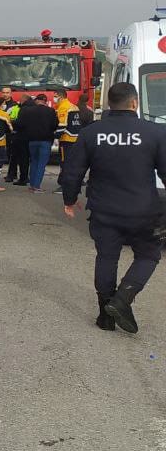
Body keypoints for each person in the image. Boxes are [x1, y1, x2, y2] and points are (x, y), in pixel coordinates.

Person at [60, 82, 166, 334]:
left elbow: (72, 172)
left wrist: (69, 199)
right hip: (144, 211)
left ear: (109, 103)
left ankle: (105, 315)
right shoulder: (155, 133)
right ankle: (122, 300)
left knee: (107, 257)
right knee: (149, 255)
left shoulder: (91, 132)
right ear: (134, 103)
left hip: (104, 210)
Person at [15, 94, 58, 192]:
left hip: (32, 140)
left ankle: (32, 184)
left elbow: (21, 124)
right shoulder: (51, 111)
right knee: (41, 164)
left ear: (36, 100)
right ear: (45, 101)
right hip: (45, 140)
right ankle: (36, 186)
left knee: (34, 162)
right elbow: (55, 125)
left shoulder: (29, 110)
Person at [5, 95, 30, 185]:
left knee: (15, 156)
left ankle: (12, 175)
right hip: (16, 134)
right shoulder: (15, 108)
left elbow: (11, 120)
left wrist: (12, 123)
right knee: (17, 157)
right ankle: (13, 175)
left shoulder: (21, 109)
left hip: (17, 134)